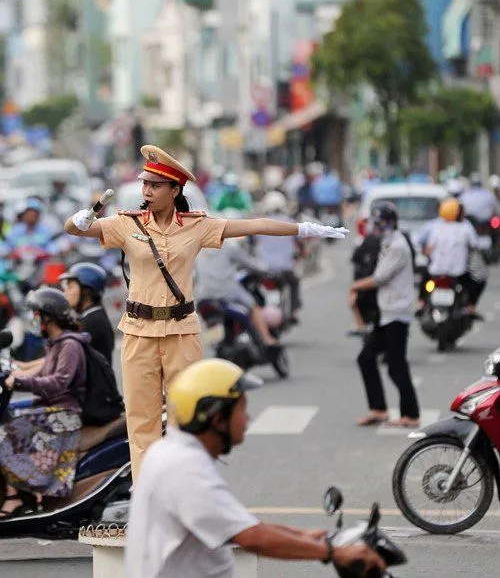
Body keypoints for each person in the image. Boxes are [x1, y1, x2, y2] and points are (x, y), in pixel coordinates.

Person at [64, 144, 346, 479]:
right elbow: (76, 229)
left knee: (190, 416)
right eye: (145, 185)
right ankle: (146, 499)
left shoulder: (197, 226)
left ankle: (186, 489)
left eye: (155, 185)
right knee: (142, 423)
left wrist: (304, 229)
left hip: (181, 332)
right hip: (138, 332)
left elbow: (253, 225)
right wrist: (80, 219)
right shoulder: (128, 225)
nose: (147, 191)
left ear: (175, 190)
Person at [127, 358, 385, 578]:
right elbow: (251, 536)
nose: (248, 418)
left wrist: (303, 534)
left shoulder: (170, 452)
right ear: (217, 418)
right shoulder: (184, 469)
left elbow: (234, 523)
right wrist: (334, 552)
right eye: (242, 409)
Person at [0, 287, 87, 519]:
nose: (34, 320)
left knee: (3, 433)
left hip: (65, 414)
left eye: (37, 315)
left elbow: (58, 382)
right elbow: (41, 370)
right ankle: (25, 491)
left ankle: (15, 497)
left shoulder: (70, 345)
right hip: (52, 407)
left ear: (48, 317)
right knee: (3, 418)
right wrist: (17, 370)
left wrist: (22, 383)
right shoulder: (56, 344)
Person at [350, 202, 421, 428]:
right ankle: (379, 410)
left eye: (378, 222)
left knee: (396, 365)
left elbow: (379, 278)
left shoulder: (398, 246)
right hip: (387, 312)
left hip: (397, 313)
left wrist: (354, 287)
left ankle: (410, 414)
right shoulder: (388, 243)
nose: (376, 227)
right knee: (366, 358)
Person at [195, 232, 280, 347]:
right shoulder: (228, 246)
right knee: (253, 306)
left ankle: (215, 345)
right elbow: (249, 263)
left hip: (203, 296)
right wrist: (267, 270)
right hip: (226, 290)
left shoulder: (199, 250)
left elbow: (195, 276)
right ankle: (266, 339)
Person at [423, 198, 480, 315]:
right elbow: (474, 246)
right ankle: (471, 307)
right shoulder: (466, 228)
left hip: (436, 271)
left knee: (424, 280)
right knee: (477, 282)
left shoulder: (436, 228)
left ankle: (420, 304)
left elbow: (428, 250)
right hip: (458, 273)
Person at [254, 190, 303, 319]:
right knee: (294, 282)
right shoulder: (291, 223)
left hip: (263, 268)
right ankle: (293, 311)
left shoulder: (258, 223)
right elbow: (300, 243)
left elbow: (252, 245)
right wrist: (301, 253)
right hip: (285, 269)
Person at [60, 262, 115, 361]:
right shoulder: (92, 315)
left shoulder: (93, 322)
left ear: (86, 291)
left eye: (70, 287)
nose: (66, 292)